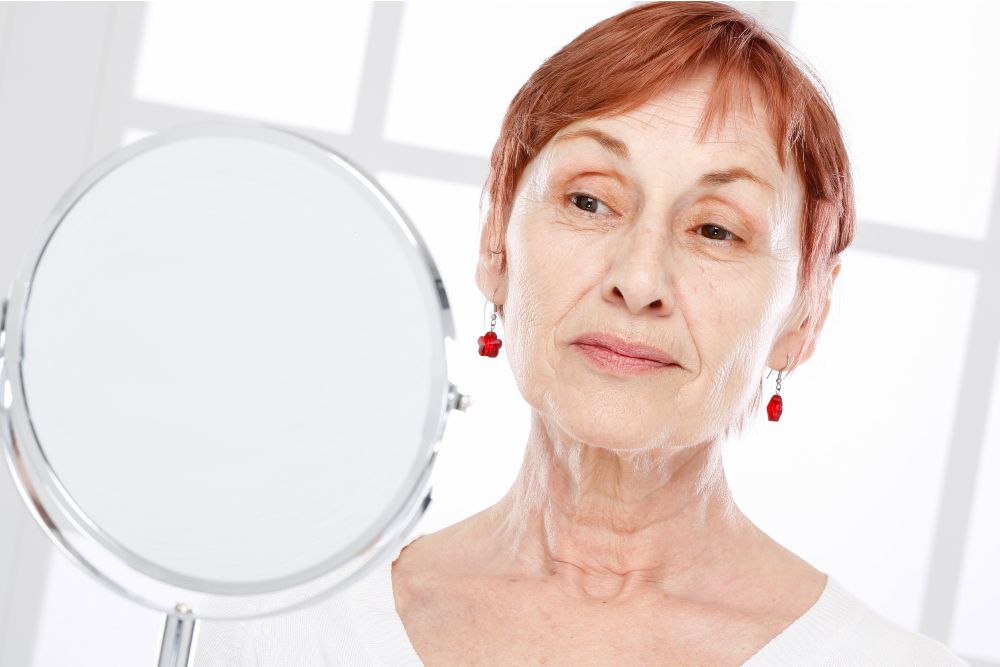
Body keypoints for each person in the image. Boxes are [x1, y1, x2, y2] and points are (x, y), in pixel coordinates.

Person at [195, 2, 970, 664]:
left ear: (806, 315)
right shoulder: (275, 636)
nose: (639, 279)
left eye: (716, 229)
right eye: (590, 201)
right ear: (496, 239)